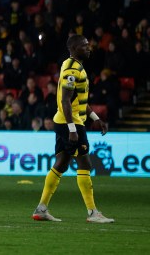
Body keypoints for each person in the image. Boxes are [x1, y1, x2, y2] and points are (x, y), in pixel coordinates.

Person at [32, 34, 113, 224]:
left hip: (66, 121)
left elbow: (78, 100)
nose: (89, 47)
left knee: (61, 163)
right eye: (84, 45)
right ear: (74, 48)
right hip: (71, 123)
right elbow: (65, 100)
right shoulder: (71, 69)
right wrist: (72, 129)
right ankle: (93, 213)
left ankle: (41, 209)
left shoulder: (72, 65)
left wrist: (96, 118)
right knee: (85, 164)